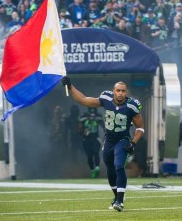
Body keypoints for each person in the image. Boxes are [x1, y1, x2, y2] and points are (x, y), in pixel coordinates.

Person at [61, 76, 144, 212]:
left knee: (119, 165)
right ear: (113, 91)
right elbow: (83, 100)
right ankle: (116, 197)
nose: (120, 93)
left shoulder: (132, 106)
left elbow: (140, 128)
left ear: (126, 92)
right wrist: (70, 87)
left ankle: (120, 201)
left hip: (122, 140)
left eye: (123, 91)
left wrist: (133, 143)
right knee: (110, 170)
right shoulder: (106, 99)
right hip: (109, 140)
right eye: (118, 90)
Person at [78, 107, 104, 178]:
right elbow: (79, 129)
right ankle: (92, 170)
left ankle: (97, 167)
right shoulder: (83, 117)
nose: (92, 117)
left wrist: (106, 133)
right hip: (86, 139)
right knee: (89, 155)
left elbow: (103, 126)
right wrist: (83, 131)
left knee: (96, 152)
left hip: (95, 138)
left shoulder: (98, 117)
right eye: (91, 115)